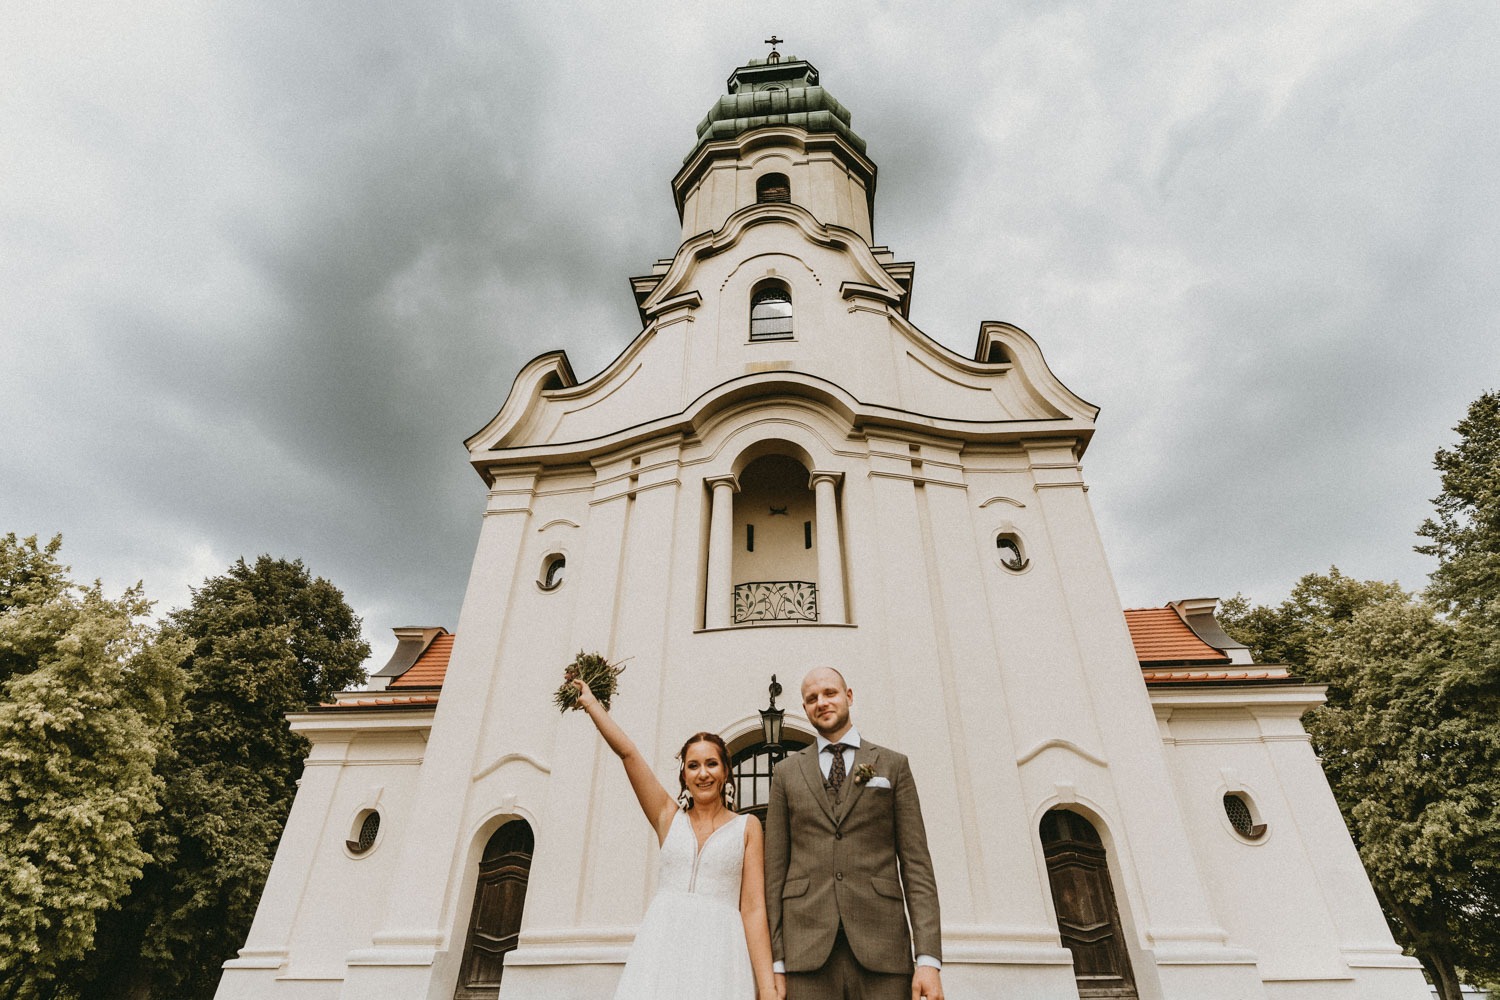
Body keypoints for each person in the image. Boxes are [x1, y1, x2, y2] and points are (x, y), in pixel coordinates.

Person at [573, 679, 778, 1000]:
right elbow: (629, 754)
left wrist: (766, 986)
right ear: (683, 774)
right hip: (663, 948)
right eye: (693, 766)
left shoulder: (748, 827)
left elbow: (753, 909)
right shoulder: (667, 818)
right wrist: (591, 705)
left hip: (720, 952)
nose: (703, 773)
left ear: (726, 771)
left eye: (712, 764)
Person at [764, 667, 944, 1000]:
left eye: (830, 693)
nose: (821, 702)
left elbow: (917, 867)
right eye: (811, 698)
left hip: (884, 950)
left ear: (848, 696)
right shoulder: (785, 773)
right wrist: (775, 963)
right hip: (805, 953)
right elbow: (774, 873)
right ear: (804, 709)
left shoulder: (892, 765)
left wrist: (928, 960)